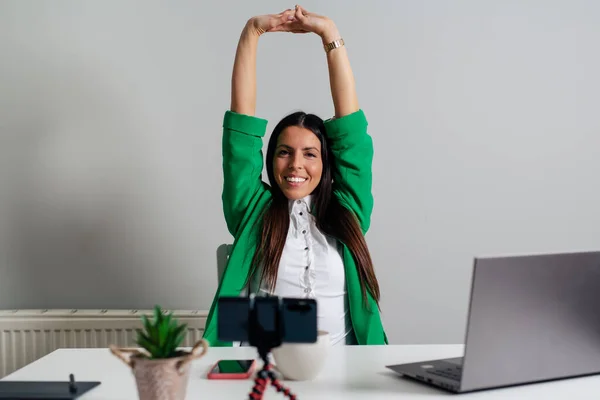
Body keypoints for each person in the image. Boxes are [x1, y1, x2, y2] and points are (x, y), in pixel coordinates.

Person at [202, 5, 387, 346]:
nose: (295, 165)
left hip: (346, 375)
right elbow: (240, 139)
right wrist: (251, 33)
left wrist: (330, 34)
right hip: (269, 374)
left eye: (310, 154)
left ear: (325, 163)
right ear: (271, 159)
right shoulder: (252, 210)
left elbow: (353, 136)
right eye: (284, 152)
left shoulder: (348, 211)